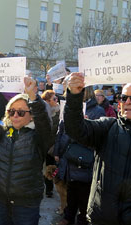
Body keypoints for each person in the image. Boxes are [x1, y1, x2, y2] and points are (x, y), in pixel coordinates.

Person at [0, 74, 51, 225]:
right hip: (0, 201)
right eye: (12, 111)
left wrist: (33, 97)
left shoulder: (39, 136)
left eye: (21, 112)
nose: (15, 115)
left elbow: (44, 122)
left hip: (26, 205)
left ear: (31, 116)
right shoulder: (3, 132)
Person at [64, 72, 131, 225]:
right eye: (123, 97)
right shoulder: (108, 126)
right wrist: (74, 96)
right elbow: (75, 129)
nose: (127, 102)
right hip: (102, 218)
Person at [56, 86, 105, 225]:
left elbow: (99, 137)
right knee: (71, 191)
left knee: (84, 194)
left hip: (85, 160)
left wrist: (86, 126)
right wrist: (57, 152)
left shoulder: (97, 111)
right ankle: (68, 217)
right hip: (69, 156)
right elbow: (61, 131)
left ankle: (82, 219)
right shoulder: (68, 107)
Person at [41, 90, 60, 198]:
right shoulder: (43, 112)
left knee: (50, 167)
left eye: (56, 98)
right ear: (47, 101)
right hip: (42, 144)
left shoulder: (58, 112)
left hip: (52, 145)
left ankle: (49, 189)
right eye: (54, 99)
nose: (56, 101)